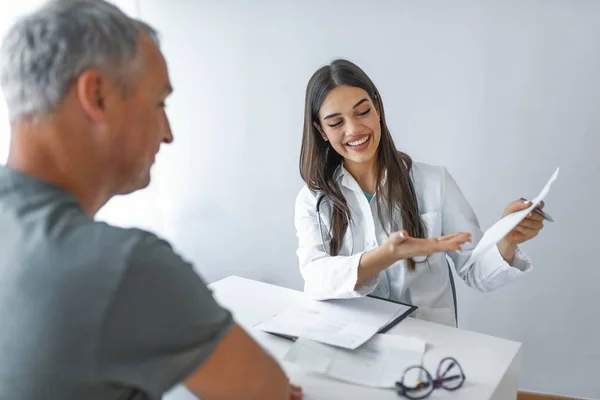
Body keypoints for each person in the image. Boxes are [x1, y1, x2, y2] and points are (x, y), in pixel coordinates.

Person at [0, 1, 302, 399]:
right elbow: (269, 393)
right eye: (159, 102)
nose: (168, 133)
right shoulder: (121, 267)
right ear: (98, 95)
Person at [295, 59, 545, 327]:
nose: (354, 129)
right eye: (336, 123)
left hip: (426, 346)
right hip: (352, 340)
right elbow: (315, 279)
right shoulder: (313, 200)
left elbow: (476, 272)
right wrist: (387, 255)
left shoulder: (434, 182)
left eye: (362, 111)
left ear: (378, 108)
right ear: (320, 130)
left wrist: (507, 239)